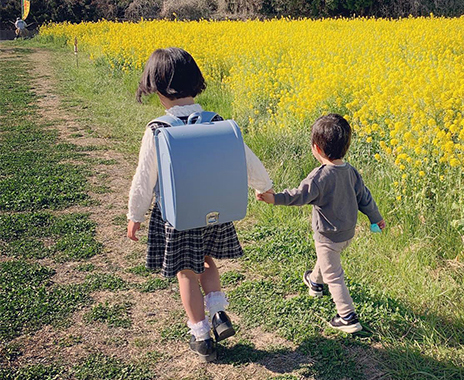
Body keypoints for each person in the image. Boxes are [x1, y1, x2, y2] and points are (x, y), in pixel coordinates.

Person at [127, 47, 273, 362]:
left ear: (159, 91)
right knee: (206, 260)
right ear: (196, 84)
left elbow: (144, 178)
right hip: (215, 213)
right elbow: (247, 160)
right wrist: (264, 187)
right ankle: (219, 312)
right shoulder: (216, 123)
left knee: (185, 273)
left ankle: (201, 335)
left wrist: (135, 214)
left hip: (179, 217)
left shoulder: (158, 130)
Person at [257, 113, 385, 334]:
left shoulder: (320, 177)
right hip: (346, 234)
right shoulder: (351, 172)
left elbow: (298, 195)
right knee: (327, 261)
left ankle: (347, 316)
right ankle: (314, 282)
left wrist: (274, 198)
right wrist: (376, 218)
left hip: (327, 235)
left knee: (334, 274)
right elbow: (365, 197)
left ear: (316, 148)